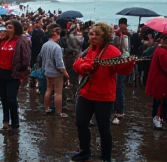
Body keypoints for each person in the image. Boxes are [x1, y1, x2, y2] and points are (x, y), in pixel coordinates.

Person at [71, 21, 135, 162]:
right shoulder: (89, 49)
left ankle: (106, 157)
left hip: (104, 96)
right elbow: (77, 64)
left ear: (105, 36)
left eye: (97, 34)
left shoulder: (112, 51)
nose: (93, 37)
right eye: (91, 34)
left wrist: (128, 64)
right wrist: (84, 66)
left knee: (103, 128)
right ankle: (84, 151)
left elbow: (121, 70)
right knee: (81, 123)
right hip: (86, 94)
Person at [0, 19, 31, 132]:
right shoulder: (2, 41)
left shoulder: (21, 41)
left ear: (16, 29)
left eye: (10, 27)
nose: (7, 29)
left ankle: (15, 123)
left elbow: (26, 58)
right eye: (7, 27)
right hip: (0, 73)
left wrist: (23, 74)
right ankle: (5, 121)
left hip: (13, 74)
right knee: (3, 99)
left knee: (11, 99)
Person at [39, 23, 69, 117]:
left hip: (47, 71)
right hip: (56, 73)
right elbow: (60, 64)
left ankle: (47, 109)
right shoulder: (57, 47)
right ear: (55, 34)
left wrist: (43, 70)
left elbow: (41, 58)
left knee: (48, 90)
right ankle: (59, 112)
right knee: (58, 93)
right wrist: (65, 74)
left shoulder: (45, 45)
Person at [145, 33, 167, 129]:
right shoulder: (163, 52)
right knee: (159, 102)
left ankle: (157, 119)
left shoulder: (159, 49)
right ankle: (157, 119)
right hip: (161, 81)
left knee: (157, 101)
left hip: (157, 80)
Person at [112, 17, 131, 122]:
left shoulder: (126, 36)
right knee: (118, 86)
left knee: (119, 87)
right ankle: (117, 109)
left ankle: (119, 110)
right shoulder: (118, 36)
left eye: (124, 25)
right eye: (122, 25)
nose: (123, 27)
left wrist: (121, 36)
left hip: (123, 63)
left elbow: (121, 48)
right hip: (120, 62)